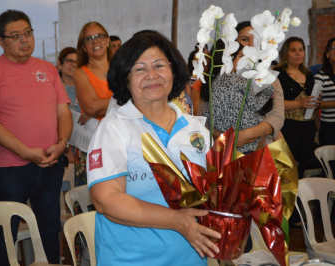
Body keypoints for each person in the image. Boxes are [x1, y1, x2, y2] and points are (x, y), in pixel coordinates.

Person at [88, 31, 221, 266]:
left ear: (173, 70)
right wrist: (176, 221)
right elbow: (106, 200)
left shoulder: (195, 127)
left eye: (159, 65)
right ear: (125, 78)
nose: (152, 75)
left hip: (190, 258)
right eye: (139, 69)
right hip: (131, 260)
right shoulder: (114, 128)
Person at [0, 10, 72, 265]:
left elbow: (63, 112)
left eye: (28, 33)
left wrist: (61, 144)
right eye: (16, 36)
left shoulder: (48, 69)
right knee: (7, 229)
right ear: (0, 41)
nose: (25, 40)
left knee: (50, 227)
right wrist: (26, 152)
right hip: (13, 168)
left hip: (51, 162)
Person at [202, 43, 275, 154]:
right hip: (245, 142)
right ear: (229, 58)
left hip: (222, 139)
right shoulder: (240, 80)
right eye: (241, 56)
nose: (245, 60)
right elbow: (254, 104)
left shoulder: (214, 81)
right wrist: (268, 91)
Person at [73, 21, 113, 187]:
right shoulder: (80, 73)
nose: (95, 41)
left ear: (108, 40)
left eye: (99, 36)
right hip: (93, 143)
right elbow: (90, 107)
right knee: (95, 197)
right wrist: (124, 100)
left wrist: (100, 107)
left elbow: (138, 99)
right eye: (89, 39)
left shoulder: (123, 68)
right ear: (83, 47)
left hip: (121, 139)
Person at [273, 36, 318, 178]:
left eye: (301, 50)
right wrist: (299, 103)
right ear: (286, 54)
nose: (299, 53)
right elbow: (273, 103)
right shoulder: (278, 74)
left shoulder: (308, 73)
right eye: (293, 50)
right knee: (287, 166)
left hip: (308, 126)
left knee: (302, 165)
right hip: (288, 127)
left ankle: (300, 197)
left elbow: (310, 101)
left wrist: (315, 102)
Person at [315, 37, 335, 146]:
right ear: (327, 52)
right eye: (334, 48)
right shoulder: (321, 75)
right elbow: (315, 104)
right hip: (329, 128)